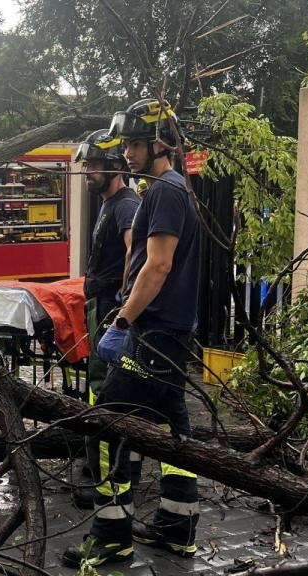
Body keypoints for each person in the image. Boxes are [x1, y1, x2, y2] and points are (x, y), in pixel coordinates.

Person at [62, 98, 201, 567]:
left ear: (159, 143)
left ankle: (110, 537)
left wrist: (123, 319)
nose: (128, 151)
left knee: (106, 426)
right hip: (171, 333)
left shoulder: (163, 191)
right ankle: (176, 527)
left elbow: (157, 265)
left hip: (152, 332)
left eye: (135, 143)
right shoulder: (173, 189)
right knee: (174, 433)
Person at [72, 129, 141, 509]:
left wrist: (123, 301)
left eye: (95, 165)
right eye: (88, 165)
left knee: (103, 391)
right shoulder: (108, 204)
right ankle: (99, 468)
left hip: (110, 308)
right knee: (98, 388)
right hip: (100, 303)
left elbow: (135, 249)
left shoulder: (127, 206)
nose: (89, 172)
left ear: (115, 165)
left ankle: (103, 482)